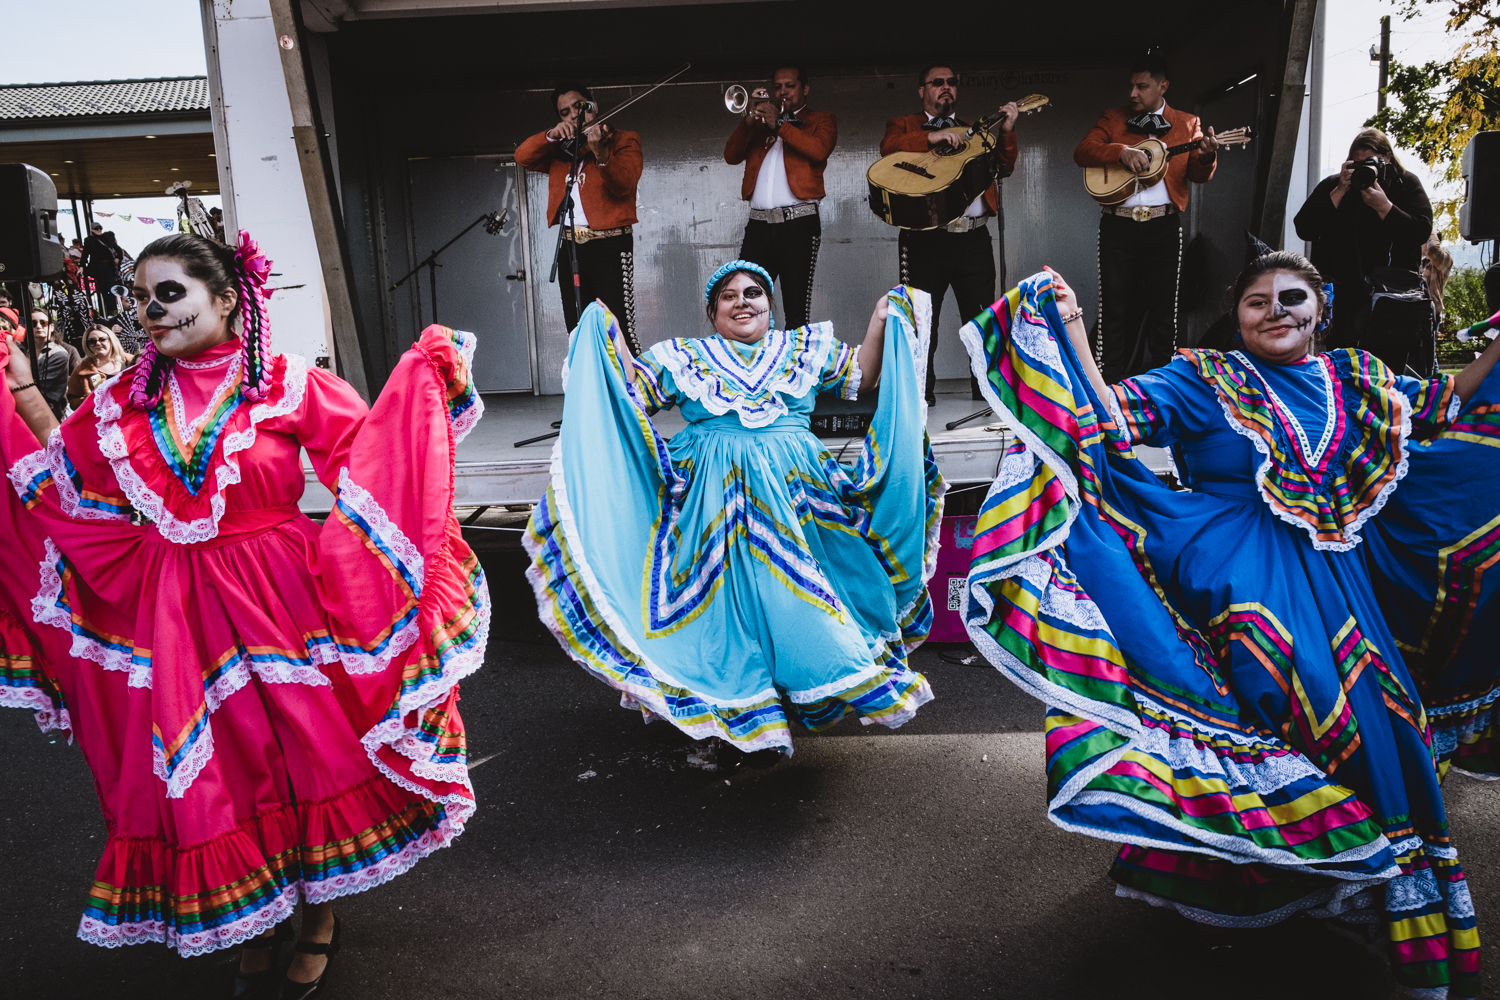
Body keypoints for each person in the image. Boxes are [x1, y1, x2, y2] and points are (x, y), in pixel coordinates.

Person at [959, 253, 1500, 997]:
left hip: (1343, 583)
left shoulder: (1361, 380)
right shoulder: (1202, 378)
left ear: (1322, 306)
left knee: (1384, 728)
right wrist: (1075, 329)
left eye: (1292, 297)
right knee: (1294, 707)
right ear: (1236, 315)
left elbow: (1451, 401)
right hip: (1235, 574)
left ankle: (1344, 883)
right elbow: (1107, 417)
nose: (1275, 311)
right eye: (1256, 302)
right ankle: (1303, 873)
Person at [0, 231, 486, 999]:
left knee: (303, 753)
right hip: (175, 612)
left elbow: (368, 469)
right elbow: (69, 477)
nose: (149, 312)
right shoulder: (125, 399)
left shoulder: (292, 385)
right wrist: (22, 388)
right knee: (217, 767)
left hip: (282, 598)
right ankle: (256, 917)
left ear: (227, 298)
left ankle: (319, 916)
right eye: (138, 298)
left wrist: (422, 385)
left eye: (169, 293)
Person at [526, 262, 944, 771]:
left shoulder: (800, 350)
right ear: (713, 311)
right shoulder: (686, 357)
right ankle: (737, 717)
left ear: (770, 305)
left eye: (753, 293)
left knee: (794, 602)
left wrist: (882, 318)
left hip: (797, 496)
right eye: (728, 296)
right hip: (711, 500)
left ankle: (793, 694)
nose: (742, 302)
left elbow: (863, 373)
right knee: (724, 611)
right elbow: (632, 391)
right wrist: (604, 334)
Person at [1074, 56, 1220, 383]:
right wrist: (1120, 151)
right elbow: (1083, 151)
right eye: (1131, 86)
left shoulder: (1187, 123)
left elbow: (1197, 175)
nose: (1133, 93)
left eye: (1142, 86)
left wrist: (1208, 156)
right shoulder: (1113, 118)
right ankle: (1106, 382)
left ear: (1162, 86)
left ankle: (1163, 383)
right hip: (1118, 224)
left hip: (1163, 225)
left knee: (1164, 308)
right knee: (1113, 305)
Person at [881, 65, 1020, 405]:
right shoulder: (905, 125)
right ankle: (919, 397)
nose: (946, 88)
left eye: (951, 83)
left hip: (973, 238)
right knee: (921, 322)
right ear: (922, 90)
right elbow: (889, 146)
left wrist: (1008, 131)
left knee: (983, 321)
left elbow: (1005, 166)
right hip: (927, 239)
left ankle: (987, 396)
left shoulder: (976, 128)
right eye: (937, 83)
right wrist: (930, 137)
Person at [516, 82, 644, 352]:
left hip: (610, 246)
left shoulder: (623, 139)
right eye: (565, 112)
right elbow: (523, 156)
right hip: (571, 246)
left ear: (593, 104)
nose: (574, 115)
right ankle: (589, 389)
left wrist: (601, 153)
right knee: (576, 326)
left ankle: (630, 391)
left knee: (619, 326)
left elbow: (624, 185)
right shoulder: (560, 150)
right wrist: (550, 135)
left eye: (579, 106)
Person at [1294, 127, 1434, 355]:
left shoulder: (1404, 184)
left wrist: (1385, 207)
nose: (1366, 169)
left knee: (1386, 364)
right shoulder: (1335, 185)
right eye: (1358, 163)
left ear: (1387, 158)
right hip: (1342, 293)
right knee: (1341, 361)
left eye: (1372, 162)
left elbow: (1420, 231)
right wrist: (1340, 190)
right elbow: (1304, 227)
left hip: (1391, 294)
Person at [723, 66, 837, 331]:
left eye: (790, 85)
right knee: (746, 301)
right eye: (778, 87)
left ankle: (796, 371)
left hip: (799, 223)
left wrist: (780, 124)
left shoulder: (822, 119)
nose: (782, 91)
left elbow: (819, 150)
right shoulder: (760, 125)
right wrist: (749, 121)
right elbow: (731, 155)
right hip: (759, 225)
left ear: (805, 89)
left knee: (796, 309)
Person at [66, 325, 128, 410]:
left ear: (111, 340)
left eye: (102, 339)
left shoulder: (131, 362)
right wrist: (90, 399)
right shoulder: (82, 370)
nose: (97, 343)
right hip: (102, 419)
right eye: (92, 341)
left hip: (132, 415)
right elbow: (73, 403)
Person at [82, 222, 118, 317]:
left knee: (111, 287)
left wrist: (118, 258)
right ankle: (109, 309)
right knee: (103, 288)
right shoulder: (89, 240)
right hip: (98, 266)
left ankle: (113, 309)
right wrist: (82, 266)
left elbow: (118, 249)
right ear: (92, 229)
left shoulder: (107, 238)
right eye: (96, 228)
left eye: (100, 228)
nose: (99, 230)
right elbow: (85, 254)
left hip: (108, 265)